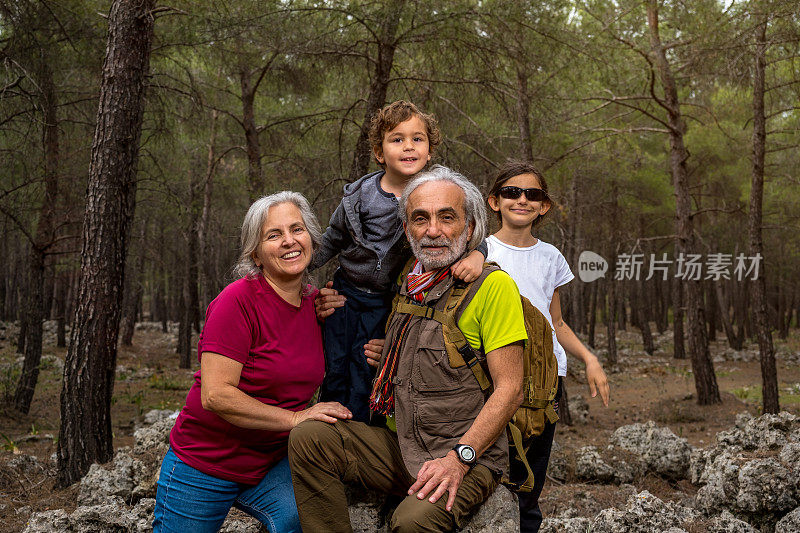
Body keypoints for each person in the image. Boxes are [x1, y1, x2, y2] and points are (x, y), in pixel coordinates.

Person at [289, 165, 528, 532]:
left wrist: (459, 459)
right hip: (402, 444)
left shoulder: (493, 288)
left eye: (447, 217)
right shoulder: (406, 279)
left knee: (411, 522)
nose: (433, 230)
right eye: (420, 218)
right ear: (406, 229)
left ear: (469, 228)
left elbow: (511, 388)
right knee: (309, 436)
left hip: (466, 454)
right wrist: (328, 303)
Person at [153, 191, 352, 533]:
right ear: (256, 254)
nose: (289, 241)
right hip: (205, 463)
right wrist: (296, 418)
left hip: (271, 464)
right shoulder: (236, 302)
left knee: (309, 521)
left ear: (313, 241)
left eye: (297, 229)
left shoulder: (318, 306)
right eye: (273, 235)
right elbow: (216, 396)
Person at [310, 101, 484, 423]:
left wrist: (478, 254)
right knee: (334, 364)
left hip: (387, 301)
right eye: (397, 139)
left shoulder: (436, 194)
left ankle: (361, 432)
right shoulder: (358, 197)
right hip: (346, 292)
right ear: (380, 152)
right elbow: (332, 238)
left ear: (430, 151)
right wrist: (299, 272)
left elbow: (469, 232)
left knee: (369, 364)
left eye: (418, 139)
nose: (408, 146)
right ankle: (327, 428)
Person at [484, 160, 610, 532]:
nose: (521, 200)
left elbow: (556, 322)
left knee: (530, 477)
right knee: (494, 467)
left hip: (545, 380)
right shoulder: (481, 252)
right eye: (511, 192)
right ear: (494, 202)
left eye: (532, 194)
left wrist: (590, 358)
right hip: (494, 375)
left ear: (544, 205)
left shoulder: (551, 256)